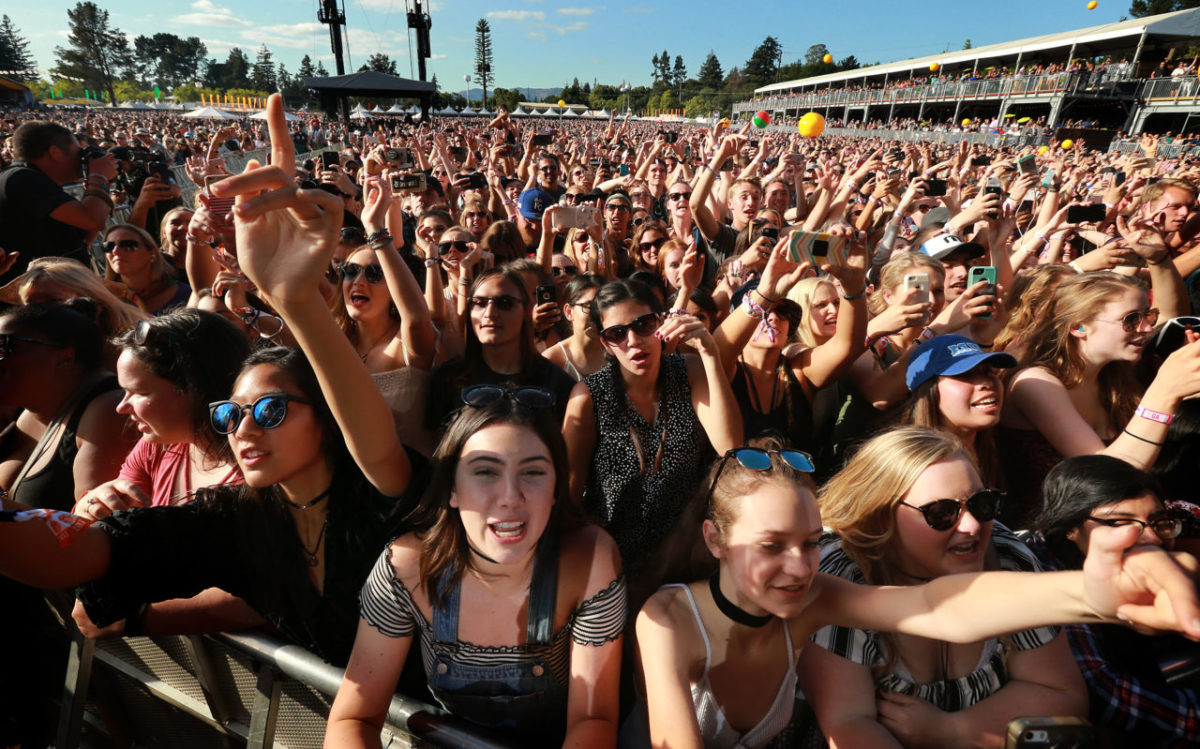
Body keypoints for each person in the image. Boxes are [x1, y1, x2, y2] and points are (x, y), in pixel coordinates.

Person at [0, 94, 419, 668]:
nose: (243, 429)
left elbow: (374, 441)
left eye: (270, 410)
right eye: (230, 414)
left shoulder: (375, 491)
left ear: (326, 420)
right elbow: (77, 555)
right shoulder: (233, 518)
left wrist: (297, 299)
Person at [632, 429, 1200, 749]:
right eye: (771, 545)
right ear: (715, 539)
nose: (800, 566)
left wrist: (1093, 596)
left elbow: (938, 609)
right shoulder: (669, 620)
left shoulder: (812, 600)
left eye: (809, 542)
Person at [326, 395, 624, 747]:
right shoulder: (406, 569)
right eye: (485, 472)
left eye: (532, 472)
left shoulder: (589, 563)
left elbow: (593, 720)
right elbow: (355, 717)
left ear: (556, 489)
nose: (510, 496)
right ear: (452, 489)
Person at [801, 427, 1086, 749]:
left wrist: (954, 729)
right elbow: (848, 724)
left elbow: (1063, 694)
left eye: (982, 504)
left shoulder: (1008, 558)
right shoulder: (841, 572)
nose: (972, 526)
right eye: (941, 513)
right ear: (880, 516)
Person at [563, 278, 742, 583]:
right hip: (617, 565)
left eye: (643, 325)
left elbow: (731, 446)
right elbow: (570, 496)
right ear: (606, 344)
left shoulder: (690, 371)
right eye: (617, 334)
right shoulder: (588, 398)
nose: (633, 340)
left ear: (661, 323)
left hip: (688, 557)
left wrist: (710, 353)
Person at [999, 272, 1200, 528]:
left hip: (1120, 526)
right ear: (1078, 327)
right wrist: (1165, 390)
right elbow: (1108, 476)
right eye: (1130, 319)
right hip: (1052, 536)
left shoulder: (1116, 378)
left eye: (1148, 315)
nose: (1147, 328)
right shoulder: (1035, 383)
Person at [1031, 455, 1200, 748]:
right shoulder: (1043, 573)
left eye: (1158, 521)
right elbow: (1103, 690)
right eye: (1121, 523)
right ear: (1070, 527)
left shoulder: (1164, 558)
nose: (1151, 538)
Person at [427, 267, 576, 431]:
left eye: (504, 303)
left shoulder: (556, 383)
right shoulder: (448, 379)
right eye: (480, 303)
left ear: (527, 312)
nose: (489, 313)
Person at [0, 120, 118, 283]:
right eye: (78, 152)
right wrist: (99, 177)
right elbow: (93, 219)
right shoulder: (21, 178)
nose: (82, 159)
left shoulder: (36, 181)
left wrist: (94, 187)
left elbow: (83, 239)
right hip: (39, 291)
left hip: (58, 287)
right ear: (55, 152)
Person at [896, 334, 1017, 486]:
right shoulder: (904, 465)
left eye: (989, 371)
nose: (986, 383)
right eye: (965, 375)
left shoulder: (1008, 451)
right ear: (928, 391)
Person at [102, 223, 191, 315]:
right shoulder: (103, 300)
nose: (115, 251)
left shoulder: (186, 294)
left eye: (128, 245)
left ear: (153, 254)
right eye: (109, 246)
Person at [542, 274, 606, 381]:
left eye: (603, 306)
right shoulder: (551, 360)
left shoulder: (619, 353)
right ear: (568, 312)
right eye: (588, 306)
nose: (596, 314)